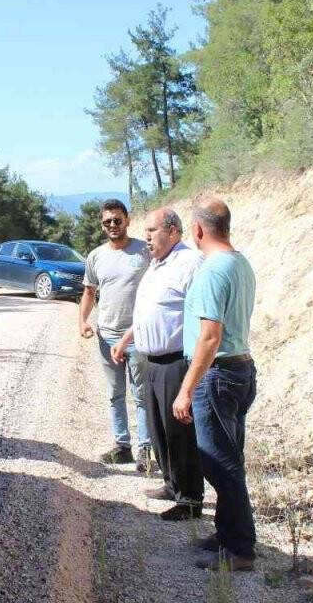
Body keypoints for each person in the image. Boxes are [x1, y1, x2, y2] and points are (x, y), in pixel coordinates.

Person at [173, 197, 258, 572]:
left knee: (220, 465)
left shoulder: (212, 270)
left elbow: (209, 336)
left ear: (197, 230)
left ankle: (239, 549)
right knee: (228, 458)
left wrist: (187, 388)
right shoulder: (241, 263)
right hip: (240, 370)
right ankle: (227, 534)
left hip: (217, 375)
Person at [111, 207, 205, 521]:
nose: (146, 237)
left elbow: (202, 314)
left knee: (179, 434)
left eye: (152, 231)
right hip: (149, 359)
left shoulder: (190, 263)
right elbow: (149, 311)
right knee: (158, 429)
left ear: (174, 231)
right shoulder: (156, 265)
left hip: (175, 361)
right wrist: (126, 339)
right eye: (146, 231)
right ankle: (171, 483)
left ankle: (190, 499)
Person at [79, 199, 152, 470]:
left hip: (138, 337)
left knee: (142, 395)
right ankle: (123, 447)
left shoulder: (144, 251)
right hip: (106, 337)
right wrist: (83, 321)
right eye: (107, 221)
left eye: (117, 220)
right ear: (102, 225)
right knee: (115, 394)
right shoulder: (95, 256)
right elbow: (89, 292)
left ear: (127, 220)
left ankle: (146, 449)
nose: (112, 225)